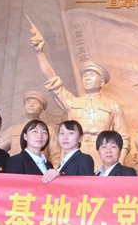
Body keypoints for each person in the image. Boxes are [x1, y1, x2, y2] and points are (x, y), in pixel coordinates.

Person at [28, 24, 129, 168]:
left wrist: (118, 163)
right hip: (74, 153)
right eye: (85, 76)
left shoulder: (112, 105)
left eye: (91, 75)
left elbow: (123, 137)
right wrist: (39, 53)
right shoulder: (72, 102)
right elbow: (52, 79)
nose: (87, 78)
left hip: (101, 156)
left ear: (101, 81)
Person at [0, 90, 61, 169]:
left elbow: (57, 157)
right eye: (28, 102)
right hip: (16, 172)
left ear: (42, 108)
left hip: (40, 173)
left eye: (35, 103)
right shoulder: (13, 130)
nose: (31, 105)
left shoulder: (49, 130)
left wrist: (52, 173)